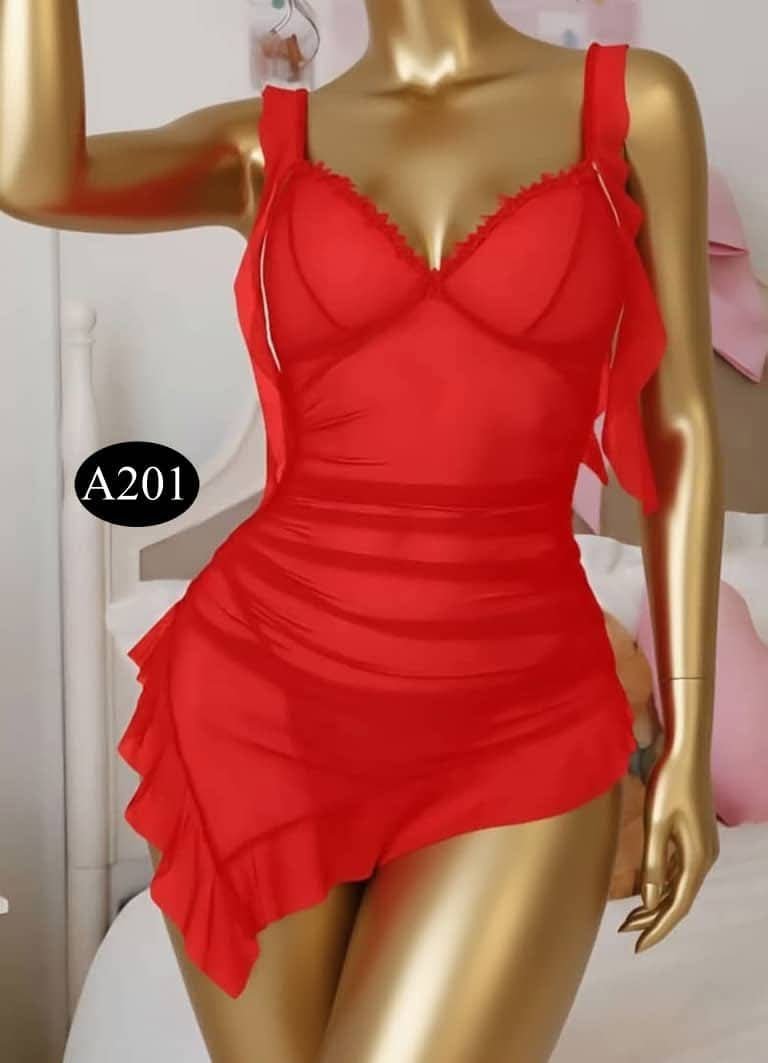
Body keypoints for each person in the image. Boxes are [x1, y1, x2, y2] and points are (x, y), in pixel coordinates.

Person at [0, 2, 722, 1060]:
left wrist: (690, 743)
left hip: (522, 705)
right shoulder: (263, 144)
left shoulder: (635, 103)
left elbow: (680, 425)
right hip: (261, 703)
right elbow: (36, 175)